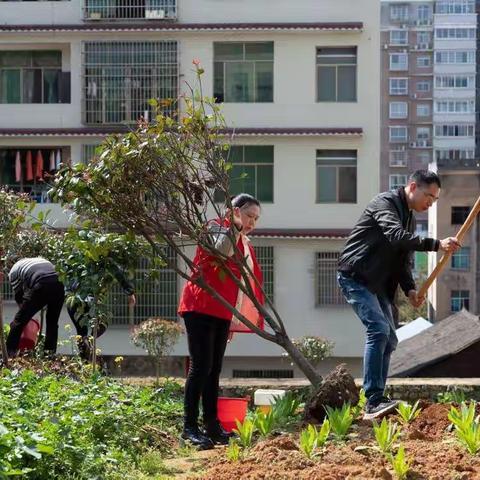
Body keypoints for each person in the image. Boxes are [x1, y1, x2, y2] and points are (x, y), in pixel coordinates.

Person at [337, 170, 460, 420]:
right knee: (378, 330)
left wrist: (411, 290)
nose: (430, 203)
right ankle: (372, 400)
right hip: (356, 277)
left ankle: (378, 398)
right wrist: (436, 245)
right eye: (429, 196)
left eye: (435, 200)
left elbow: (402, 262)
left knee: (390, 339)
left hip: (380, 285)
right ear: (413, 186)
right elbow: (395, 236)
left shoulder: (410, 220)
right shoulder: (384, 204)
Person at [178, 193, 264, 449]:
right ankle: (189, 428)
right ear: (235, 211)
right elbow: (221, 253)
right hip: (200, 305)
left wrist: (235, 320)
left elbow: (242, 284)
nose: (252, 223)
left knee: (214, 369)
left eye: (256, 219)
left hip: (222, 310)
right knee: (200, 367)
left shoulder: (242, 239)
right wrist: (235, 227)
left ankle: (212, 426)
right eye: (249, 216)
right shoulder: (216, 227)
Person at [67, 264, 136, 360]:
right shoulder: (104, 260)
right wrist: (130, 292)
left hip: (73, 300)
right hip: (87, 299)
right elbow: (117, 272)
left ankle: (85, 359)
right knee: (103, 323)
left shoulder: (79, 260)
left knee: (82, 334)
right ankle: (89, 345)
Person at [6, 257, 65, 357]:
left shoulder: (13, 272)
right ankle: (49, 355)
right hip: (59, 284)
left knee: (18, 321)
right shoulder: (41, 260)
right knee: (52, 323)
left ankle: (9, 355)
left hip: (41, 283)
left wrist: (26, 316)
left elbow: (19, 297)